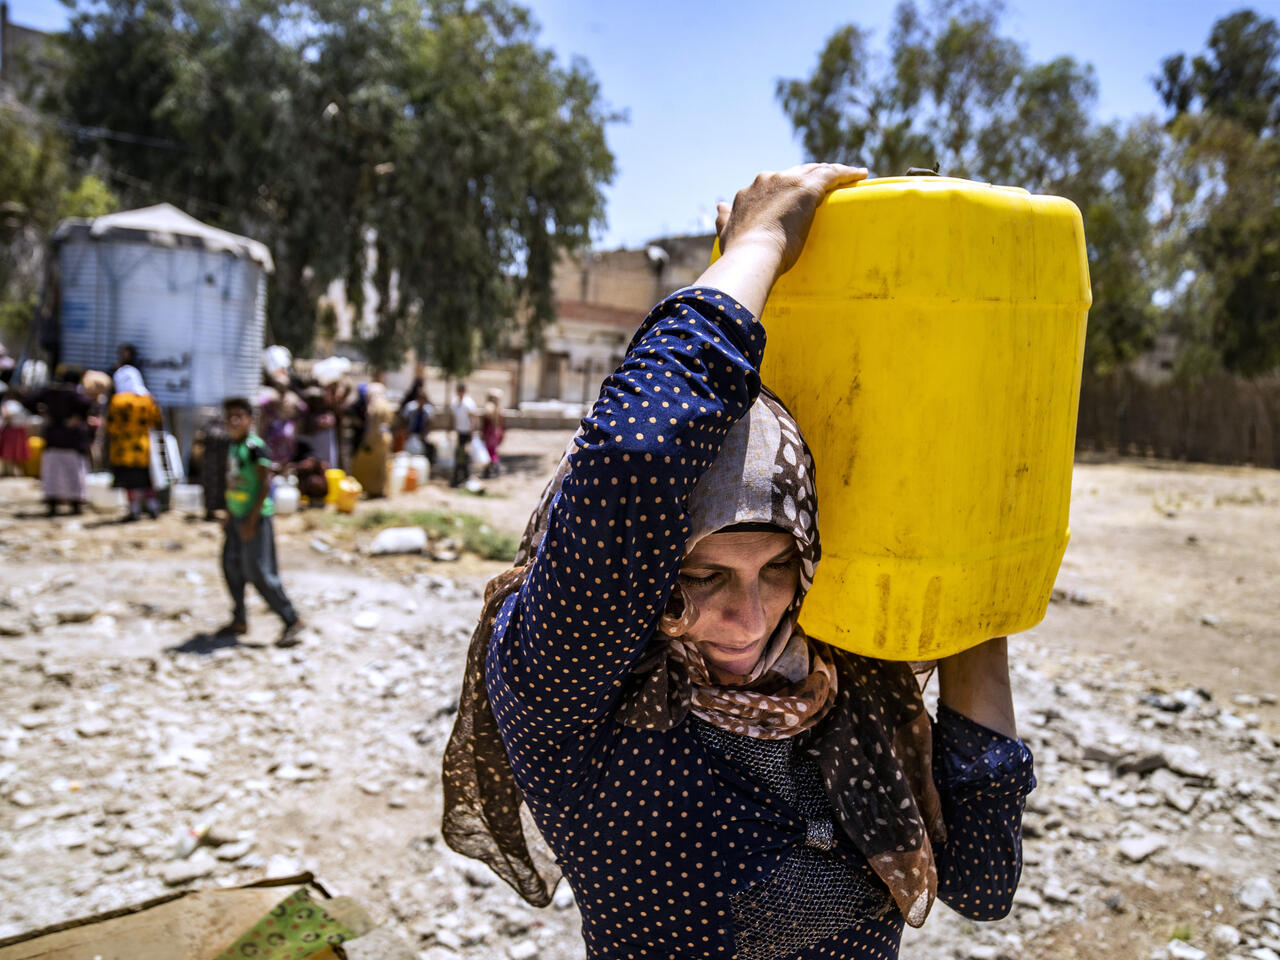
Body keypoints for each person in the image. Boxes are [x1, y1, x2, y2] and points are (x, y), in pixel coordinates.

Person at [443, 165, 1035, 960]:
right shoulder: (576, 698)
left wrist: (973, 593)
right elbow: (632, 455)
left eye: (778, 567)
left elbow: (983, 882)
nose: (751, 619)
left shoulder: (840, 682)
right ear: (640, 563)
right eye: (701, 577)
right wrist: (760, 242)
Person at [219, 396, 303, 647]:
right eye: (230, 416)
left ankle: (292, 620)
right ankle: (239, 619)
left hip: (255, 518)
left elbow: (265, 484)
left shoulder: (256, 447)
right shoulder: (234, 446)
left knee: (259, 572)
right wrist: (229, 514)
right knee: (230, 567)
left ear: (249, 420)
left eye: (239, 416)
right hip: (237, 517)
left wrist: (251, 521)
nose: (234, 421)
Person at [21, 365, 92, 515]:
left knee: (53, 472)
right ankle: (75, 505)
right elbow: (87, 404)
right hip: (72, 440)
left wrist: (43, 413)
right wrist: (79, 418)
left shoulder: (50, 393)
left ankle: (52, 504)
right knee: (73, 473)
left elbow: (28, 400)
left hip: (54, 437)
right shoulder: (75, 395)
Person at [106, 365, 163, 521]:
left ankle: (134, 510)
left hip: (123, 450)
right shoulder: (148, 399)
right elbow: (157, 420)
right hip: (144, 447)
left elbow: (112, 426)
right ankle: (153, 508)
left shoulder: (118, 400)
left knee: (130, 481)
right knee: (147, 479)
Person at [450, 382, 477, 487]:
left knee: (462, 454)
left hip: (466, 433)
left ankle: (461, 477)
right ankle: (463, 476)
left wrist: (471, 432)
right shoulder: (455, 403)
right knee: (461, 454)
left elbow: (473, 418)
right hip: (459, 432)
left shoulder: (468, 403)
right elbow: (453, 417)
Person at [0, 398, 30, 477]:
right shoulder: (17, 404)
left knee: (11, 452)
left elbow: (7, 415)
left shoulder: (10, 404)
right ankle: (10, 471)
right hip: (16, 429)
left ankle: (11, 472)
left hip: (12, 430)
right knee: (13, 452)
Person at [480, 388, 505, 478]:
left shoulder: (489, 407)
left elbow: (486, 423)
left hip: (490, 432)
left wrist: (483, 434)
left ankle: (495, 468)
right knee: (492, 451)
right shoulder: (498, 409)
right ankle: (490, 469)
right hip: (496, 432)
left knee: (489, 451)